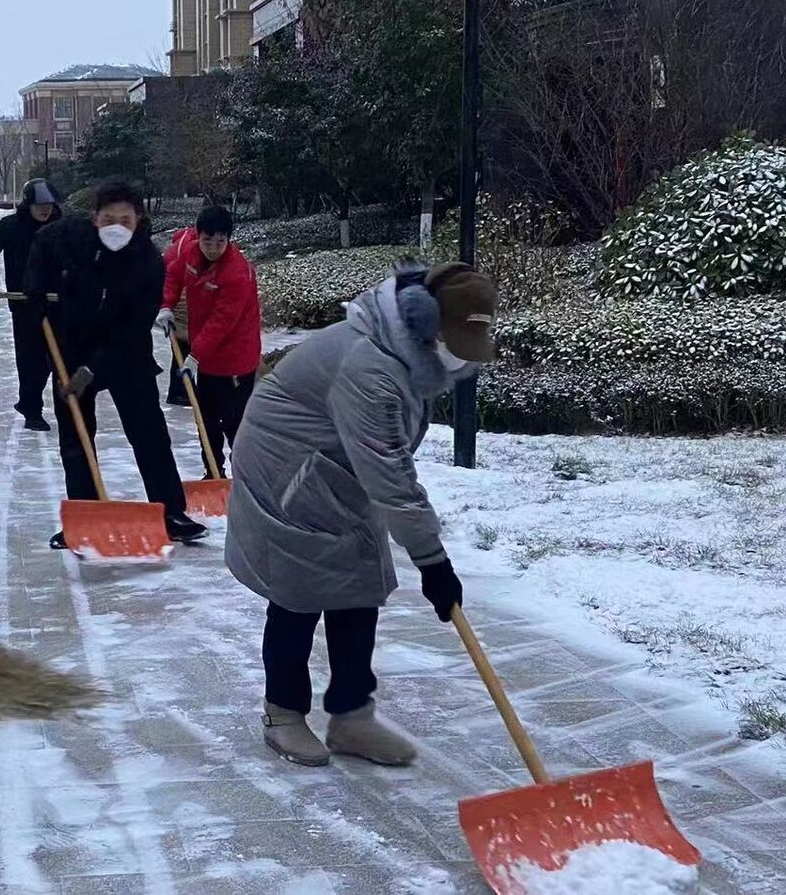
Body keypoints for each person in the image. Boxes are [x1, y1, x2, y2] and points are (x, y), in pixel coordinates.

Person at [225, 262, 493, 768]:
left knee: (359, 581)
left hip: (335, 469)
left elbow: (387, 457)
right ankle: (282, 713)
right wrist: (433, 562)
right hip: (287, 471)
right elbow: (389, 470)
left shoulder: (409, 352)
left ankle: (351, 717)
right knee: (298, 589)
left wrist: (425, 551)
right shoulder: (370, 366)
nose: (461, 358)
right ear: (428, 321)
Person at [25, 178, 208, 548]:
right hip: (72, 347)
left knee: (150, 433)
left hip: (126, 353)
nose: (116, 228)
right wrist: (36, 290)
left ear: (137, 220)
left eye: (125, 220)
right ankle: (84, 514)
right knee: (76, 436)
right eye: (109, 219)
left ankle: (170, 511)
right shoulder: (68, 239)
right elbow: (41, 248)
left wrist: (92, 371)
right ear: (95, 219)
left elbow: (132, 329)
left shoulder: (147, 263)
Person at [156, 206, 261, 478]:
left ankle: (245, 475)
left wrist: (195, 354)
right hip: (208, 358)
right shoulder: (190, 253)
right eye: (207, 241)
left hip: (236, 358)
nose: (213, 248)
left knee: (235, 423)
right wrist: (167, 305)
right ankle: (213, 474)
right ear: (197, 236)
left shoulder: (237, 273)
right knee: (206, 420)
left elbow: (222, 322)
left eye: (220, 242)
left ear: (228, 240)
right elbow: (173, 274)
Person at [0, 178, 63, 431]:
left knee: (56, 357)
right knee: (30, 359)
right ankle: (32, 408)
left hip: (58, 301)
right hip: (24, 304)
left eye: (49, 205)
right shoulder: (10, 226)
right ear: (28, 204)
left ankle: (49, 404)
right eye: (39, 205)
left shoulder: (62, 226)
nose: (45, 210)